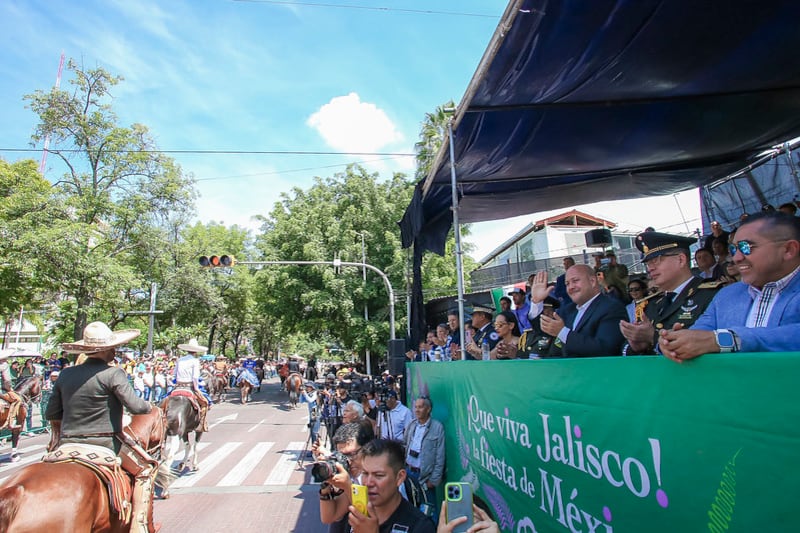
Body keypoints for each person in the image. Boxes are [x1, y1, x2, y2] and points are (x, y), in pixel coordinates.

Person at [45, 321, 158, 533]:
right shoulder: (113, 374)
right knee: (147, 469)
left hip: (67, 443)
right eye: (113, 348)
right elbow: (135, 406)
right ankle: (140, 527)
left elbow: (50, 413)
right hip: (106, 442)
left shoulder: (66, 374)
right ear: (106, 349)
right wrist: (149, 406)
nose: (115, 351)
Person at [659, 212, 800, 361]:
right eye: (733, 249)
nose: (736, 258)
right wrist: (674, 342)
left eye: (746, 247)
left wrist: (726, 340)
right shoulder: (726, 296)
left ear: (789, 250)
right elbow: (699, 335)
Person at [620, 232, 722, 355]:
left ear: (681, 259)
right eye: (648, 263)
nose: (650, 268)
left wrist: (653, 336)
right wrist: (636, 347)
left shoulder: (712, 295)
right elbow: (625, 350)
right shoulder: (648, 303)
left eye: (656, 260)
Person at [527, 266, 628, 357]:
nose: (571, 287)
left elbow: (606, 349)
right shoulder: (568, 310)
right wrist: (537, 302)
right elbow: (544, 330)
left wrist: (562, 332)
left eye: (575, 281)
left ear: (592, 281)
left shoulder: (612, 308)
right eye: (567, 284)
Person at [348, 438, 436, 533]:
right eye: (365, 474)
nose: (369, 483)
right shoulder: (356, 516)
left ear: (399, 477)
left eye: (378, 475)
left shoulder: (420, 526)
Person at [315, 421, 375, 533]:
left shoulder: (378, 476)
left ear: (368, 448)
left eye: (352, 454)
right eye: (341, 456)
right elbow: (329, 517)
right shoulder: (352, 478)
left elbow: (370, 515)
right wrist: (325, 485)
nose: (347, 461)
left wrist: (348, 486)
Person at [403, 396, 445, 522]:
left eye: (420, 407)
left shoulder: (437, 427)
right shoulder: (412, 425)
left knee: (429, 511)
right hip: (409, 472)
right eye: (415, 407)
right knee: (411, 506)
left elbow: (440, 456)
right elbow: (405, 444)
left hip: (425, 477)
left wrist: (434, 480)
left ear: (428, 409)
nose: (417, 410)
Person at [173, 338, 212, 432]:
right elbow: (195, 377)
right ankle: (201, 424)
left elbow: (174, 374)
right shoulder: (195, 361)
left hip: (178, 386)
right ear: (196, 351)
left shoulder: (180, 360)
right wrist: (196, 388)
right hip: (189, 386)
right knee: (206, 402)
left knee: (164, 399)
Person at [0, 349, 23, 430]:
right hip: (1, 390)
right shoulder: (4, 365)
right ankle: (10, 422)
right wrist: (10, 389)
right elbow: (7, 381)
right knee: (17, 399)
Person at [301, 381, 321, 446]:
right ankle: (313, 448)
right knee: (312, 432)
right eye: (306, 387)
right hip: (311, 412)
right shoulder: (308, 393)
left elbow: (310, 400)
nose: (307, 388)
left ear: (312, 387)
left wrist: (305, 394)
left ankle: (316, 448)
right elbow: (301, 401)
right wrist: (302, 393)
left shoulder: (315, 393)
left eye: (308, 387)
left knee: (315, 432)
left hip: (315, 411)